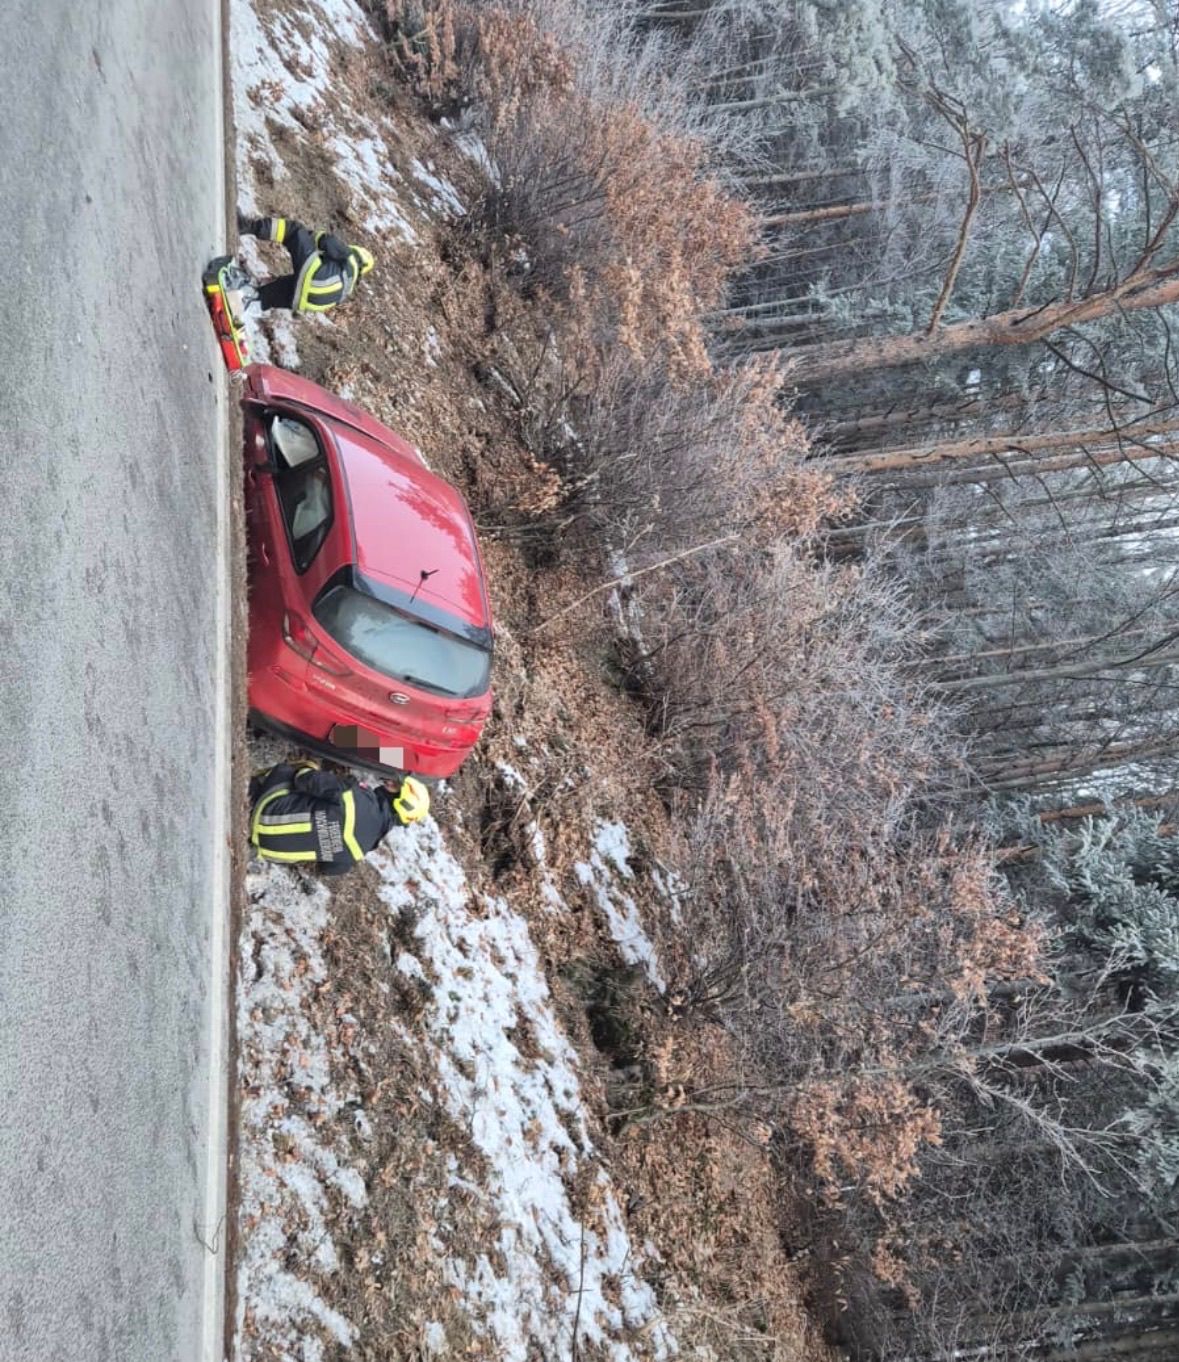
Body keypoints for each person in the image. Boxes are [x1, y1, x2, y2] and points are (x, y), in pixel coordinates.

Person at [249, 760, 429, 874]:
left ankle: (249, 787)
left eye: (395, 787)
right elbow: (330, 869)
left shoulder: (357, 795)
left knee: (303, 768)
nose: (389, 783)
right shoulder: (363, 848)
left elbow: (305, 780)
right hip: (269, 852)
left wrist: (309, 770)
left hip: (265, 812)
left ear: (399, 801)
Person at [236, 211, 375, 314]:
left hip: (313, 277)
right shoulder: (348, 287)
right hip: (305, 302)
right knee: (275, 292)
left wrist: (310, 236)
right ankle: (247, 303)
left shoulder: (349, 256)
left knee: (294, 231)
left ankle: (248, 226)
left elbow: (327, 241)